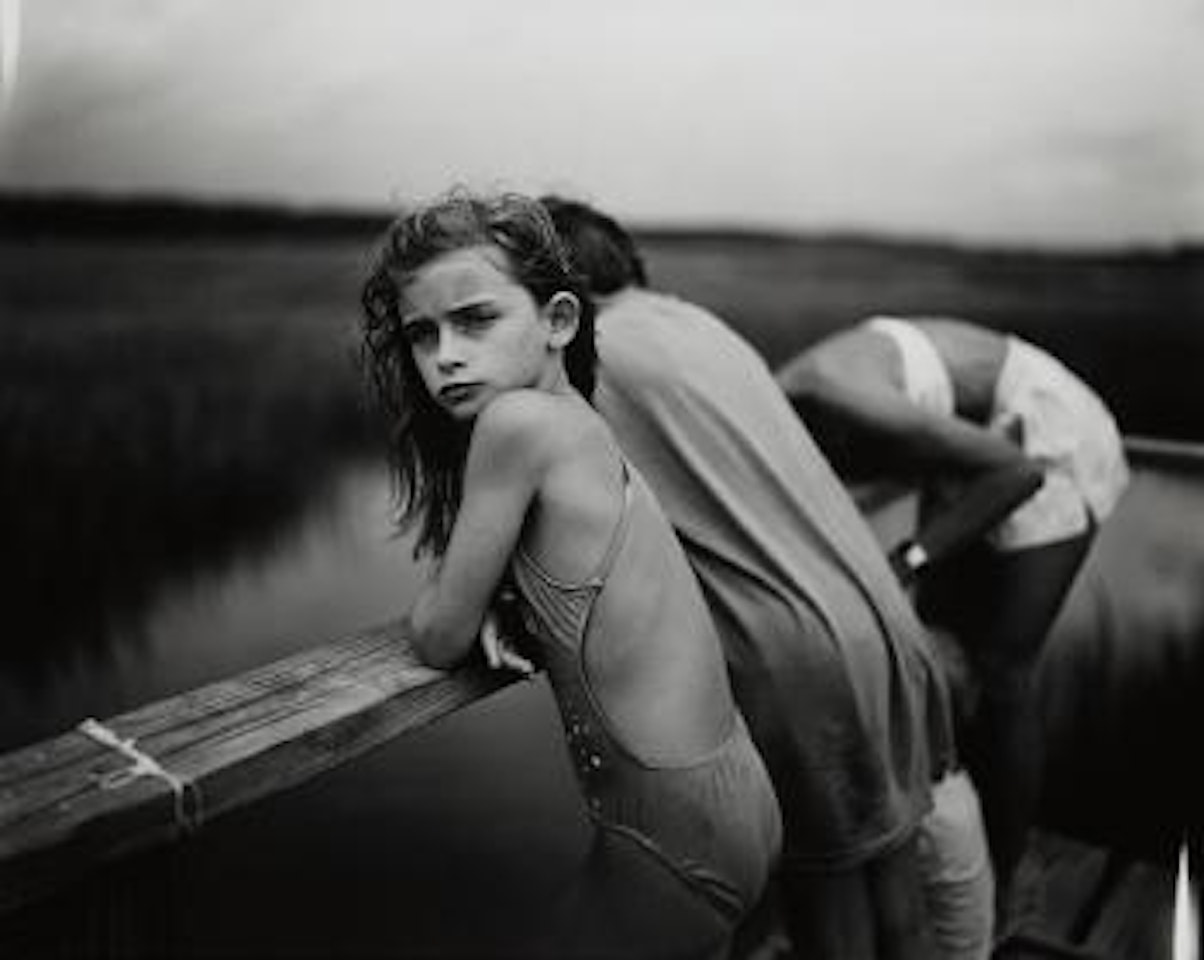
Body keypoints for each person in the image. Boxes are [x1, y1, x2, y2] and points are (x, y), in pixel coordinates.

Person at [543, 196, 994, 960]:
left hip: (796, 659)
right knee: (896, 895)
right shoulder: (699, 325)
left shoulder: (584, 356)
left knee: (832, 927)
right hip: (883, 624)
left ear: (552, 293)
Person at [357, 189, 782, 959]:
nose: (444, 354)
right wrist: (502, 594)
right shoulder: (582, 424)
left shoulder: (515, 426)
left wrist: (468, 603)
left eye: (476, 319)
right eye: (422, 333)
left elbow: (437, 637)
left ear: (558, 320)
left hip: (670, 829)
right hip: (730, 793)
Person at [775, 316, 1130, 909]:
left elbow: (1019, 473)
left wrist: (910, 556)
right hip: (970, 451)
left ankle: (1011, 882)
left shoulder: (835, 395)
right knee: (935, 652)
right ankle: (952, 856)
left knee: (1001, 672)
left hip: (1043, 435)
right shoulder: (784, 405)